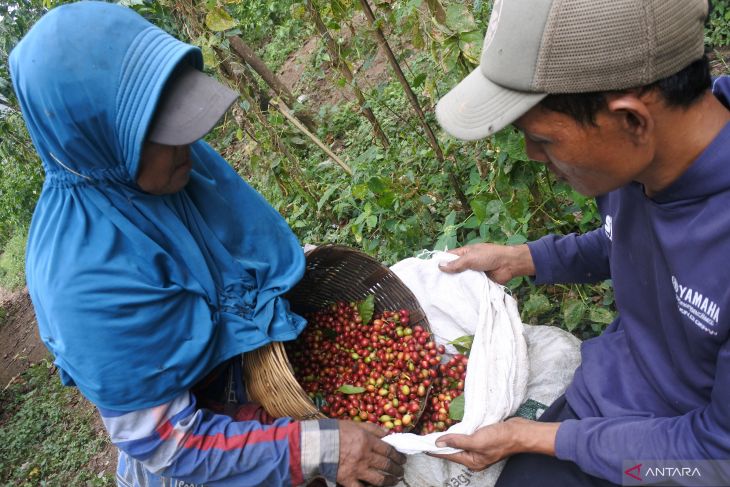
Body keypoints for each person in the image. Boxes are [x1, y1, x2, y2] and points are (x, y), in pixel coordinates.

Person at [8, 2, 405, 486]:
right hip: (205, 455)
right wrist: (317, 448)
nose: (189, 145)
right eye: (163, 133)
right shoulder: (85, 281)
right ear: (99, 140)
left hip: (250, 385)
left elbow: (228, 253)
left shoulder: (162, 170)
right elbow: (168, 444)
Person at [429, 0, 730, 485]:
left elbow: (717, 459)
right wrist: (522, 258)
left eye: (544, 140)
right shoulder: (641, 165)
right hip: (606, 404)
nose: (531, 155)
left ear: (631, 120)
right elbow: (626, 244)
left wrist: (532, 438)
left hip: (676, 455)